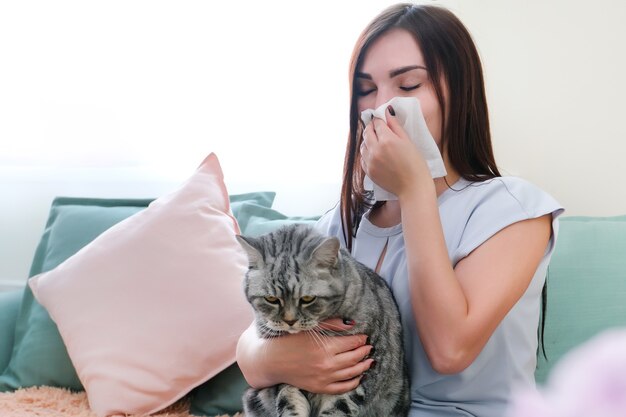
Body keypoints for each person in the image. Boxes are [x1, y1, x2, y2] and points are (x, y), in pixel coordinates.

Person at [236, 3, 564, 416]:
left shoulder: (513, 209)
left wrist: (414, 190)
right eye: (366, 90)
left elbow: (450, 350)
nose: (383, 106)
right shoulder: (340, 224)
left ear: (458, 92)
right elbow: (256, 336)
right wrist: (264, 360)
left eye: (408, 85)